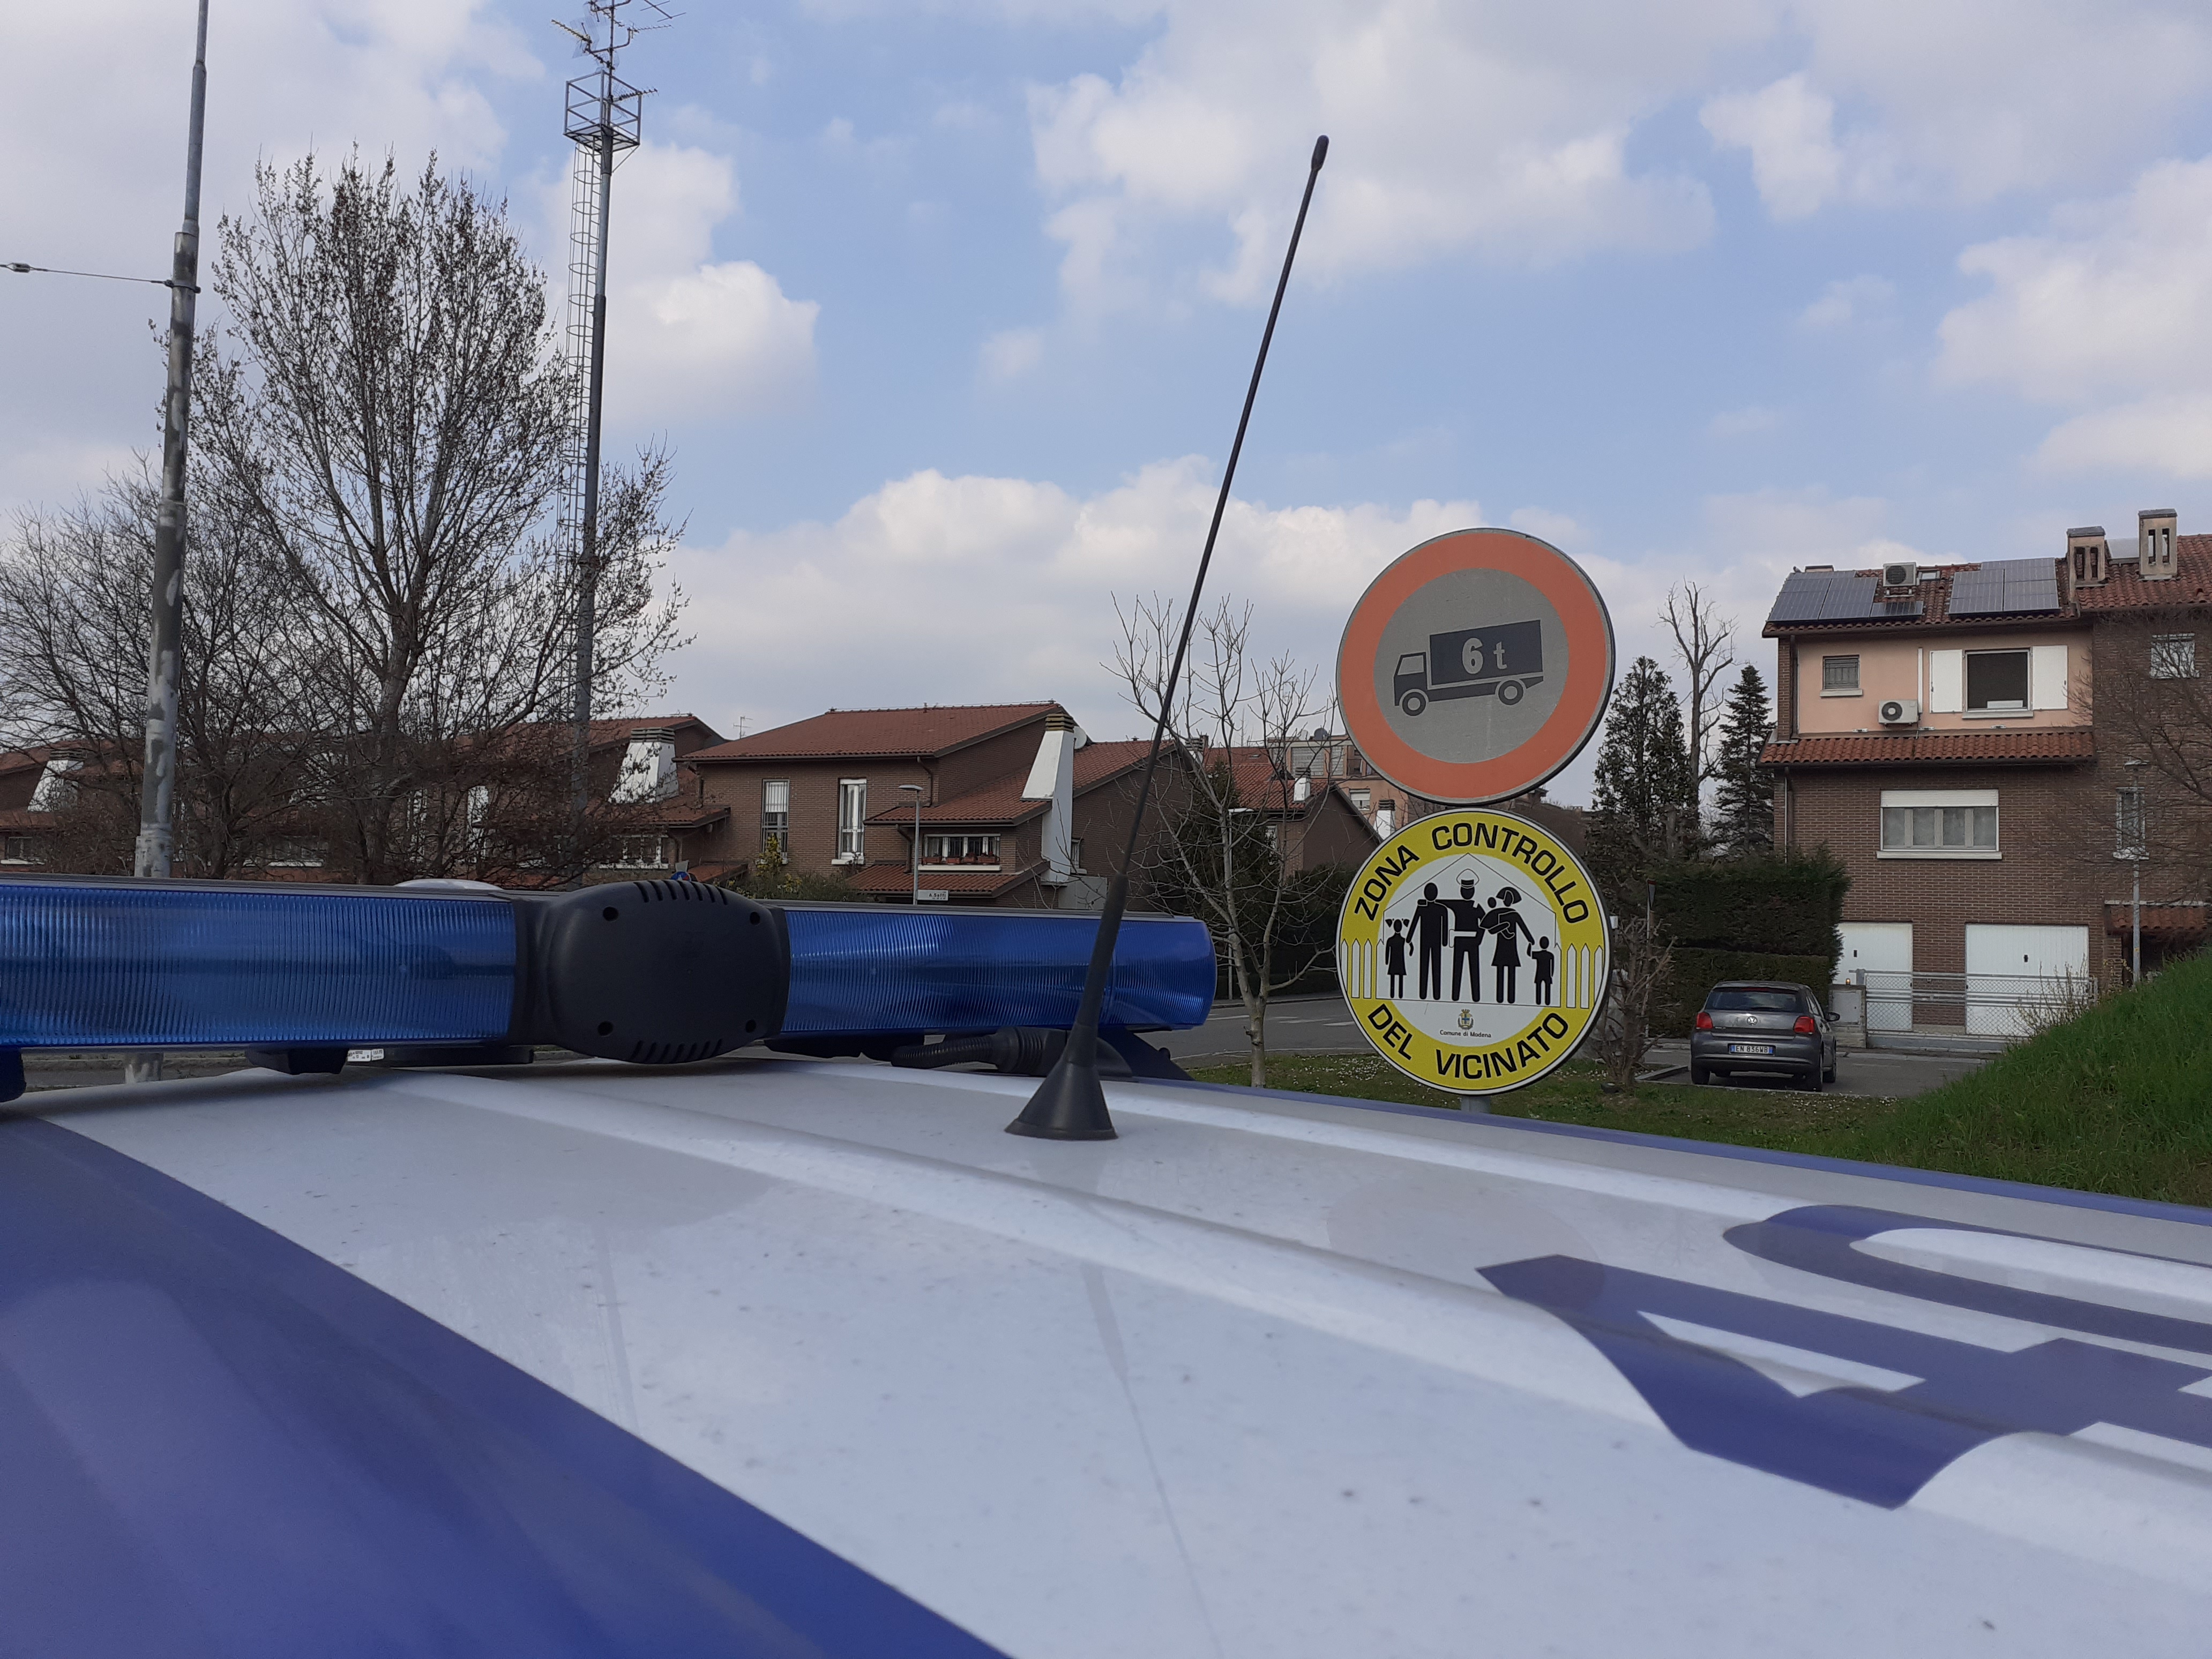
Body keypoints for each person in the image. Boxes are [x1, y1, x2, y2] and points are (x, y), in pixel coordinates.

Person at [1486, 885, 1536, 1004]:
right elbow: (1490, 930)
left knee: (1511, 971)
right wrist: (1503, 927)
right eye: (1506, 899)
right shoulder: (1497, 913)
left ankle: (1511, 999)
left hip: (1511, 947)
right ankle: (1499, 998)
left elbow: (1524, 928)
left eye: (1509, 899)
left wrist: (1531, 940)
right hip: (1501, 946)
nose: (1508, 901)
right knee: (1501, 971)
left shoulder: (1514, 914)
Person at [1445, 875, 1487, 1002]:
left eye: (1469, 890)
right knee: (1457, 969)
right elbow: (1443, 902)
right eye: (1465, 890)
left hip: (1472, 941)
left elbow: (1485, 922)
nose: (1467, 893)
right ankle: (1455, 997)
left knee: (1474, 969)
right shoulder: (1458, 904)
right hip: (1460, 940)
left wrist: (1479, 939)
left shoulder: (1476, 906)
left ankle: (1476, 998)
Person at [1412, 883, 1449, 1000]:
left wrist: (1409, 938)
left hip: (1427, 941)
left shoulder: (1424, 908)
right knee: (1433, 966)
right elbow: (1445, 925)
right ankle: (1434, 995)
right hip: (1433, 941)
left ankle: (1426, 994)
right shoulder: (1440, 908)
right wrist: (1444, 941)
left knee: (1428, 966)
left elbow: (1414, 924)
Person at [1384, 918, 1409, 999]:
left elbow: (1387, 951)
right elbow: (1387, 951)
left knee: (1393, 977)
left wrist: (1387, 961)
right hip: (1400, 962)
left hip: (1394, 962)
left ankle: (1393, 994)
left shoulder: (1391, 940)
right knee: (1400, 978)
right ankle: (1400, 995)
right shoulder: (1403, 940)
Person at [1531, 935, 1556, 1006]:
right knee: (1547, 987)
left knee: (1539, 987)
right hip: (1547, 975)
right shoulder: (1550, 955)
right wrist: (1552, 974)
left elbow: (1530, 953)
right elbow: (1553, 966)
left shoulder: (1539, 954)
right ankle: (1547, 1002)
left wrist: (1530, 945)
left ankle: (1538, 1002)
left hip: (1539, 974)